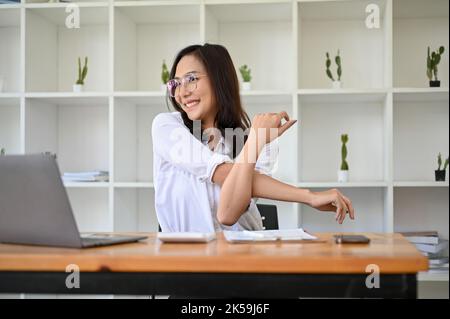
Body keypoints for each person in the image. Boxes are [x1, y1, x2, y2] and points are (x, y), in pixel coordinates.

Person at [152, 43, 354, 233]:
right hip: (183, 260)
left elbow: (229, 212)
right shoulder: (167, 127)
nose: (182, 92)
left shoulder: (252, 141)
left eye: (192, 79)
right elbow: (221, 172)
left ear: (219, 79)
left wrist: (255, 141)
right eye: (176, 83)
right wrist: (309, 197)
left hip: (243, 255)